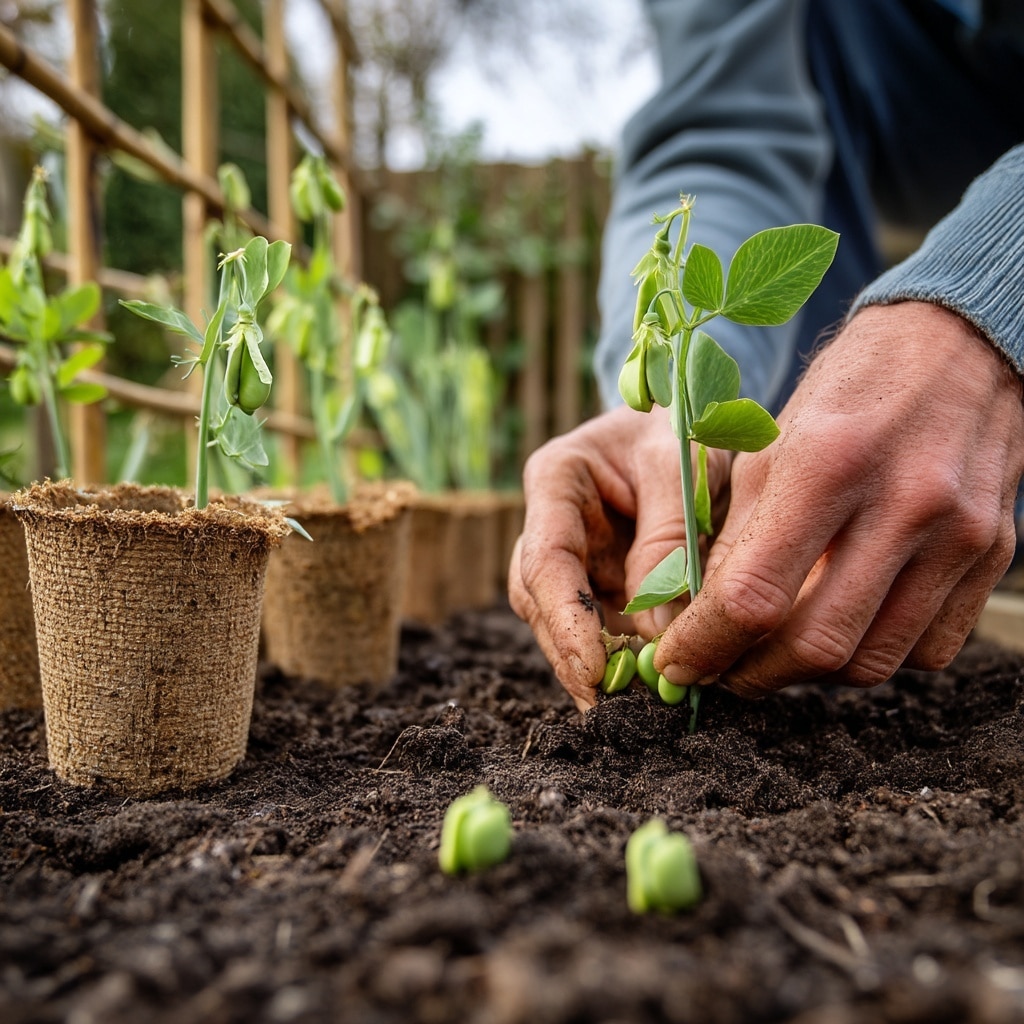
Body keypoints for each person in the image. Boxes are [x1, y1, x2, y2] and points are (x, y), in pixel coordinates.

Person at [508, 0, 1024, 714]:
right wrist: (672, 407)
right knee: (802, 496)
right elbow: (721, 124)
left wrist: (989, 304)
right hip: (886, 95)